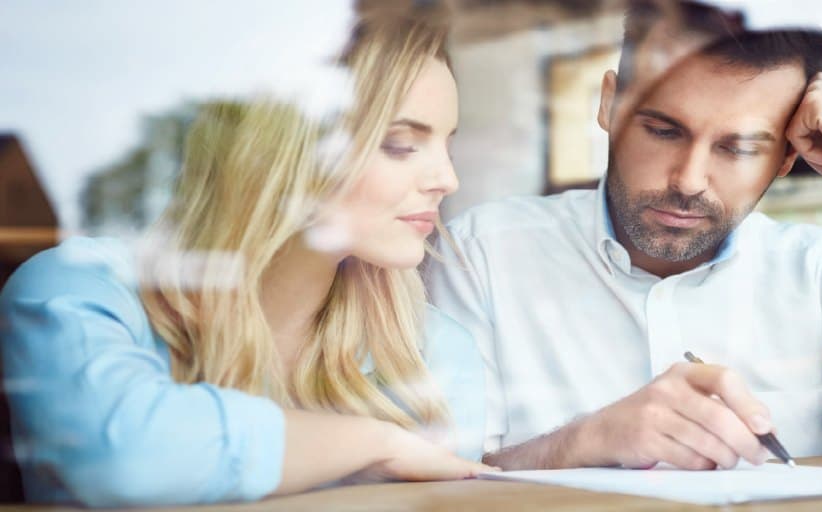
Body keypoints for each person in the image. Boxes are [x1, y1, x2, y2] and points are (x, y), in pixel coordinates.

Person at [426, 0, 822, 472]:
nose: (688, 181)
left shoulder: (821, 272)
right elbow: (435, 481)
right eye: (662, 130)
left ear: (790, 155)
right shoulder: (481, 251)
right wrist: (583, 442)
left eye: (738, 148)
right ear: (609, 104)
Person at [0, 5, 495, 507]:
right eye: (400, 144)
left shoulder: (430, 351)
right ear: (287, 154)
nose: (446, 180)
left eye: (446, 145)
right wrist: (376, 444)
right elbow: (122, 458)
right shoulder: (81, 291)